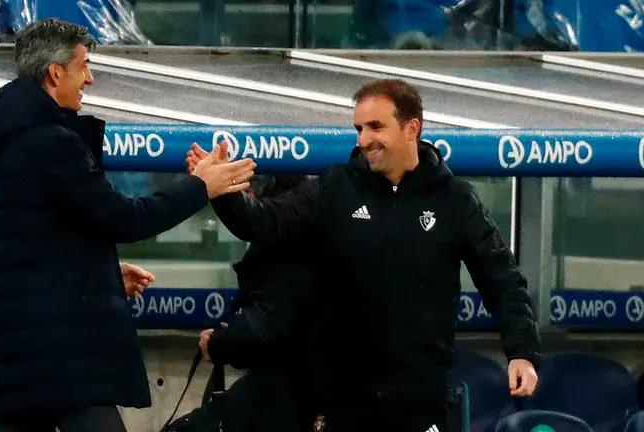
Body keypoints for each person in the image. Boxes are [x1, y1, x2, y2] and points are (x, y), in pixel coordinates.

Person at [187, 78, 542, 432]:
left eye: (376, 126)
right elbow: (265, 224)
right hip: (344, 403)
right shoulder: (335, 188)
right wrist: (221, 191)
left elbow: (502, 279)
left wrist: (522, 351)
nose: (364, 139)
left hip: (419, 400)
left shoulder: (455, 200)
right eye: (359, 128)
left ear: (411, 128)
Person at [0, 18, 255, 432]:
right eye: (83, 65)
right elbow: (123, 217)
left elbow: (33, 247)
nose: (91, 78)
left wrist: (97, 272)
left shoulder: (4, 143)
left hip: (26, 363)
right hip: (63, 365)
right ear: (55, 73)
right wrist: (200, 187)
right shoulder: (50, 142)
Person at [189, 173, 317, 432]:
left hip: (290, 393)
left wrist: (217, 343)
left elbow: (264, 332)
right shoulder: (326, 228)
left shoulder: (286, 246)